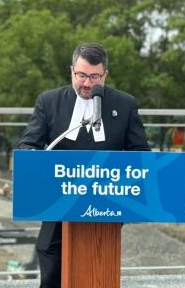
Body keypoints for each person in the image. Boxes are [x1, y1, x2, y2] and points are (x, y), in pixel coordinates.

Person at [17, 43, 150, 288]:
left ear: (105, 75)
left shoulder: (125, 104)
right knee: (52, 274)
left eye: (94, 77)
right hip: (58, 207)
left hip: (105, 210)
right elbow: (28, 147)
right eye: (81, 75)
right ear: (71, 72)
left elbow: (140, 154)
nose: (87, 84)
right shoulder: (49, 101)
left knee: (99, 272)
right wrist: (42, 164)